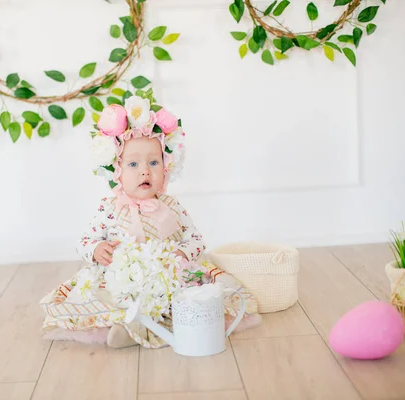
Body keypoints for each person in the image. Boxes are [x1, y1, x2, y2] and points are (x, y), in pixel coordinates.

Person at [39, 93, 260, 348]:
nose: (145, 170)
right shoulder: (109, 208)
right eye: (133, 164)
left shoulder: (171, 207)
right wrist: (96, 250)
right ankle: (125, 328)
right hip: (124, 279)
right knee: (106, 297)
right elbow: (85, 241)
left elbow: (196, 239)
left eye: (153, 162)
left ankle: (154, 326)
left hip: (167, 277)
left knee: (191, 298)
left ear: (166, 167)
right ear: (116, 171)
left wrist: (181, 253)